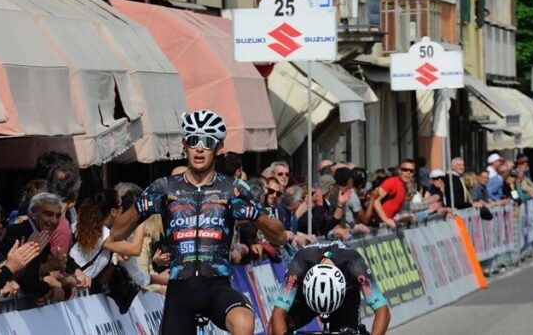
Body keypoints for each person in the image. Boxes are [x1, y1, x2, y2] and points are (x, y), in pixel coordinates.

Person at [110, 110, 286, 335]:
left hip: (217, 287)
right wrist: (140, 207)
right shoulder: (164, 187)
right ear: (185, 145)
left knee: (244, 321)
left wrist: (254, 214)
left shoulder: (233, 188)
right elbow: (116, 233)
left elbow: (280, 237)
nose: (200, 148)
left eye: (208, 142)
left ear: (218, 147)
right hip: (179, 290)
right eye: (194, 140)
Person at [268, 241, 390, 335]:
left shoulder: (355, 267)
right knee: (274, 328)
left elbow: (383, 311)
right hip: (307, 301)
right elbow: (278, 314)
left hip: (345, 299)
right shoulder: (297, 267)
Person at [369, 159, 416, 230]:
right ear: (399, 171)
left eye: (411, 171)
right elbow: (375, 199)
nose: (408, 173)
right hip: (375, 225)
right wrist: (386, 219)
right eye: (405, 170)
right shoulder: (392, 182)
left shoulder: (404, 187)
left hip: (386, 226)